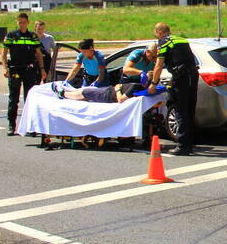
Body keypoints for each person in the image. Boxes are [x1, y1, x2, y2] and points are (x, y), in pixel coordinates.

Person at [148, 22, 199, 155]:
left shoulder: (163, 42)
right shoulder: (182, 40)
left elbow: (159, 65)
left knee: (180, 110)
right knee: (189, 109)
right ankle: (189, 143)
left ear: (159, 32)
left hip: (181, 77)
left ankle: (182, 146)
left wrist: (153, 83)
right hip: (193, 75)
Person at [1, 12, 46, 136]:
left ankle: (30, 127)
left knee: (29, 99)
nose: (21, 24)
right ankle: (11, 125)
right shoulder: (11, 35)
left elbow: (38, 54)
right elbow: (3, 53)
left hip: (29, 70)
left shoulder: (33, 36)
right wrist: (5, 68)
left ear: (28, 22)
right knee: (13, 99)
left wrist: (42, 69)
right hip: (15, 69)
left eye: (24, 22)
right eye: (19, 22)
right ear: (17, 22)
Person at [50, 80, 149, 103]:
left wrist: (118, 88)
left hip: (109, 95)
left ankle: (63, 94)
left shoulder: (135, 87)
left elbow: (120, 99)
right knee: (87, 92)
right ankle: (70, 92)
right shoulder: (144, 89)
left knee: (86, 92)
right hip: (109, 91)